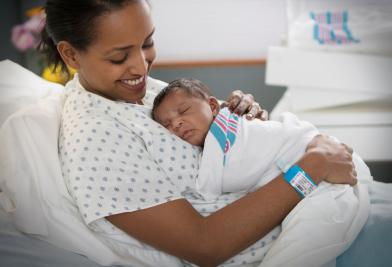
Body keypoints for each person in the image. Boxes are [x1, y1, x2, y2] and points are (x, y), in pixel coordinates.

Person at [40, 0, 356, 266]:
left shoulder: (140, 91)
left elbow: (216, 141)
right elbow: (205, 245)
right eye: (119, 56)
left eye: (147, 43)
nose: (141, 66)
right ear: (70, 55)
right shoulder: (96, 141)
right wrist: (310, 169)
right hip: (294, 228)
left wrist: (243, 127)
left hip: (300, 197)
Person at [152, 78, 321, 199]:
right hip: (300, 171)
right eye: (167, 125)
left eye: (183, 111)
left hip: (299, 146)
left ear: (212, 106)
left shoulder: (220, 131)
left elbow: (206, 190)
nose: (176, 124)